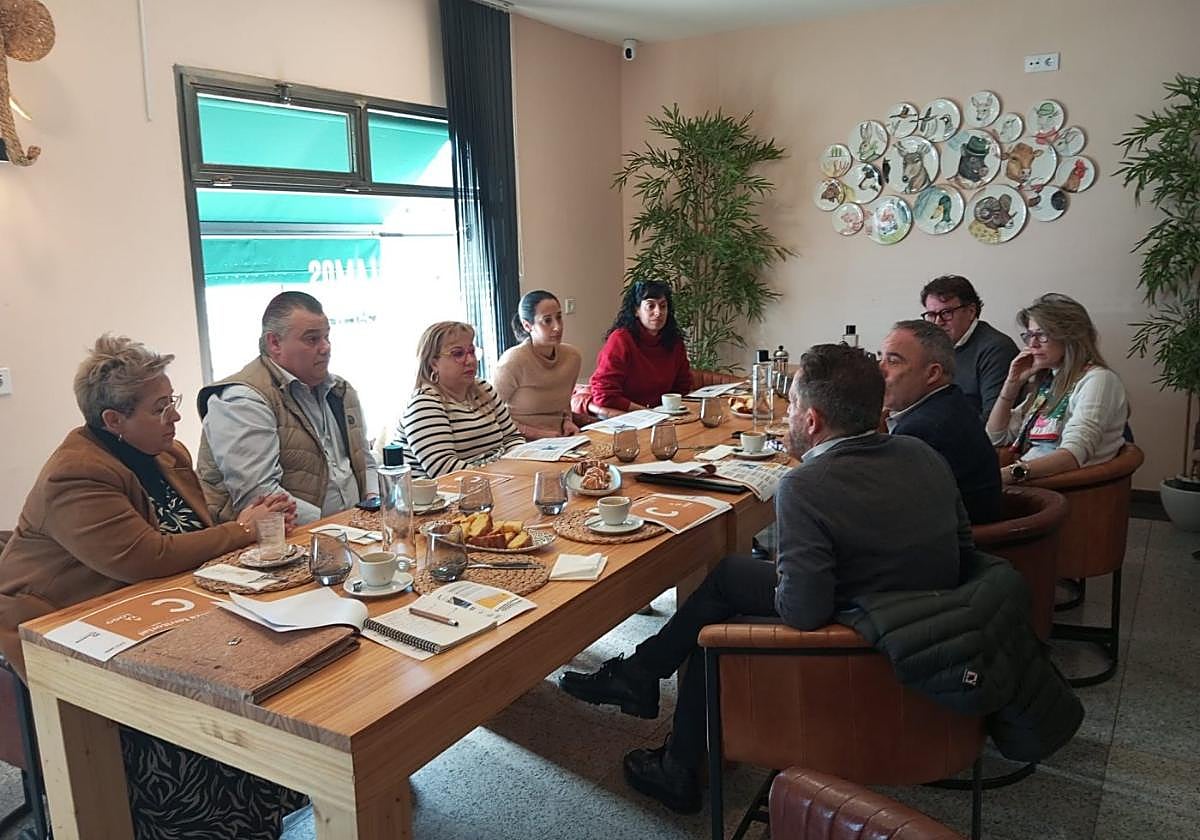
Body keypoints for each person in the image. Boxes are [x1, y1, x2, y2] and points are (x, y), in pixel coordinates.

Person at [559, 344, 968, 814]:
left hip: (866, 650)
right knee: (729, 575)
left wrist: (793, 571)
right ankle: (642, 677)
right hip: (928, 621)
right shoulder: (922, 453)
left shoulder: (806, 486)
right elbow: (965, 548)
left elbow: (804, 611)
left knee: (715, 628)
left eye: (791, 405)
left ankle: (675, 759)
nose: (787, 414)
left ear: (811, 420)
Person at [0, 335, 303, 839]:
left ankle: (251, 818)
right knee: (189, 723)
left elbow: (193, 532)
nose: (175, 417)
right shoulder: (75, 475)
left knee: (262, 680)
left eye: (172, 401)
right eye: (159, 407)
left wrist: (254, 516)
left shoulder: (166, 454)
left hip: (156, 611)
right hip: (68, 630)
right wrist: (243, 529)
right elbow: (149, 558)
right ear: (113, 420)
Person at [197, 291, 379, 526]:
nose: (325, 347)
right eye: (312, 339)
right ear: (274, 343)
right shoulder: (242, 400)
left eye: (327, 337)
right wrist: (336, 527)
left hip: (355, 527)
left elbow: (364, 460)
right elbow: (261, 497)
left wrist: (373, 504)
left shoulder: (340, 391)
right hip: (289, 539)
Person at [988, 293, 1130, 485]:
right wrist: (1011, 385)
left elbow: (1073, 454)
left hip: (1061, 488)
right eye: (1029, 335)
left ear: (1069, 338)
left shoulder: (1098, 380)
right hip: (1034, 480)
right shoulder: (1049, 382)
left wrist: (1009, 475)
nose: (1032, 344)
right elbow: (996, 437)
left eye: (1042, 335)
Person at [880, 319, 1003, 524]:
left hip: (962, 541)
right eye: (880, 358)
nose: (879, 370)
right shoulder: (950, 402)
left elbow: (894, 513)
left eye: (893, 361)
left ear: (932, 374)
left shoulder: (924, 429)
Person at [397, 321, 525, 477]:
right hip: (445, 489)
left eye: (472, 351)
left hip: (495, 480)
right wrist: (499, 477)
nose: (470, 360)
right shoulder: (424, 404)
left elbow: (512, 438)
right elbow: (444, 468)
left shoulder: (484, 389)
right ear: (433, 363)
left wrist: (517, 469)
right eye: (458, 354)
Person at [920, 274, 1019, 419]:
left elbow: (992, 419)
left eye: (946, 313)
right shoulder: (932, 346)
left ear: (971, 311)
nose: (938, 322)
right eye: (931, 315)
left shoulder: (997, 349)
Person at [588, 279, 693, 414]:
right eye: (650, 306)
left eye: (663, 306)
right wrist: (647, 412)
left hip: (663, 414)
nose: (658, 312)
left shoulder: (674, 341)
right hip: (625, 415)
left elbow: (683, 386)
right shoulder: (621, 339)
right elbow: (603, 394)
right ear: (636, 310)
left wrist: (666, 411)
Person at [493, 290, 583, 439]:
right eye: (547, 321)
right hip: (520, 441)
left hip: (561, 439)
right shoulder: (512, 361)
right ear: (527, 325)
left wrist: (567, 421)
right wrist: (539, 434)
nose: (557, 327)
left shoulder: (572, 357)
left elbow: (564, 403)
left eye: (559, 317)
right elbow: (492, 415)